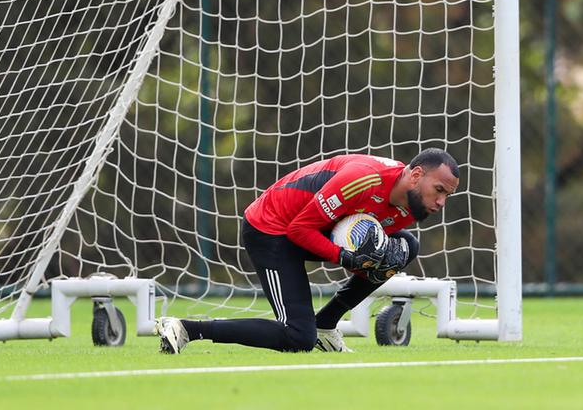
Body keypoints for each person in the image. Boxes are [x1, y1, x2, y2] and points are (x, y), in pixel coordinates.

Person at [154, 148, 460, 353]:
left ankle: (326, 324)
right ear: (417, 175)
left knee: (406, 247)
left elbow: (359, 256)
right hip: (271, 229)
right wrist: (344, 257)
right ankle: (186, 328)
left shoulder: (409, 207)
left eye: (448, 195)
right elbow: (299, 230)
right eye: (440, 190)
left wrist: (365, 262)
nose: (441, 202)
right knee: (298, 337)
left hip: (313, 228)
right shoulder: (364, 179)